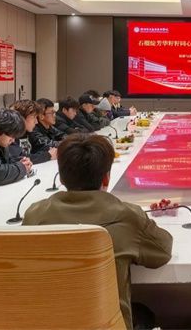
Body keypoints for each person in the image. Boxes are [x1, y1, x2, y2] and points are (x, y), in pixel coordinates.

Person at [22, 134, 172, 329]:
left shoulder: (34, 215)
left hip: (49, 323)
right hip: (107, 325)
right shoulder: (128, 217)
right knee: (143, 314)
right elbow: (162, 251)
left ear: (62, 177)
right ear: (106, 177)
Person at [9, 100, 57, 164]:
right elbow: (19, 159)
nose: (36, 122)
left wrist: (52, 151)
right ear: (21, 118)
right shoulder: (10, 136)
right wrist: (47, 155)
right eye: (34, 117)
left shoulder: (29, 133)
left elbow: (42, 146)